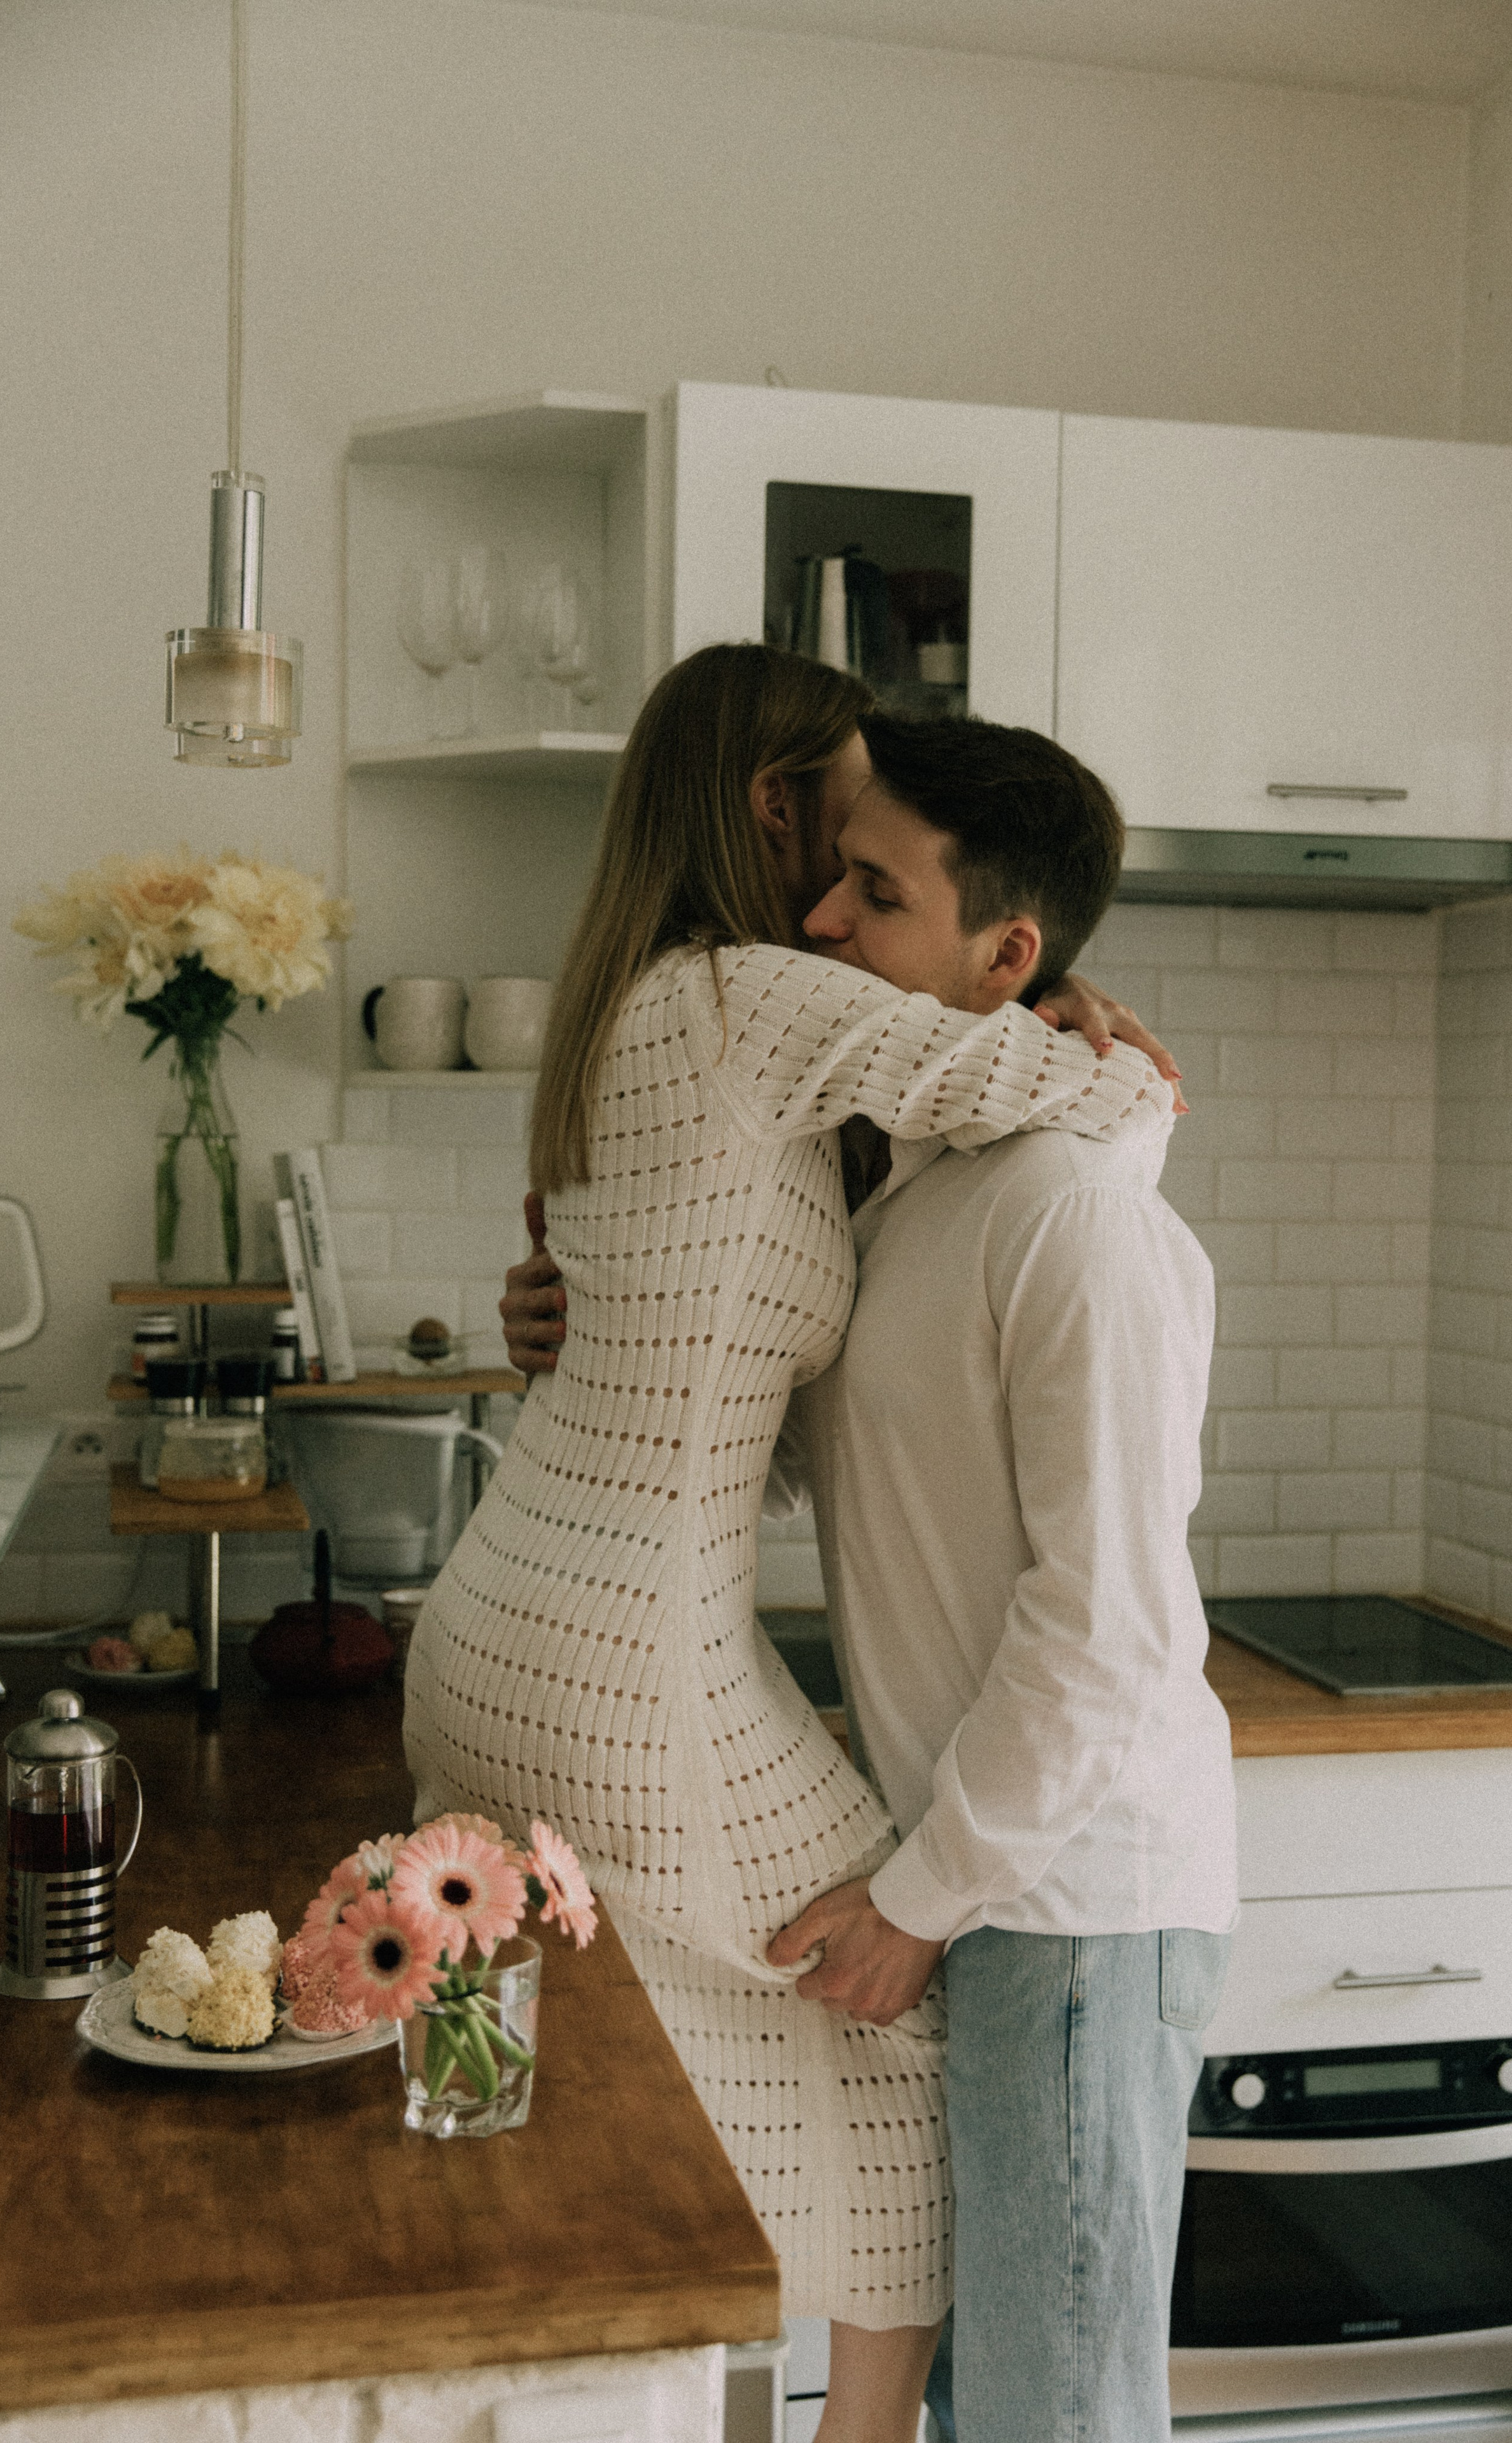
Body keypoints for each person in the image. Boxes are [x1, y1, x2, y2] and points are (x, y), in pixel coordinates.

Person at [403, 642, 1175, 2443]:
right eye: (839, 839)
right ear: (772, 814)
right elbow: (1112, 1110)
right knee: (893, 2018)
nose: (839, 898)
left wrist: (551, 1319)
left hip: (504, 1629)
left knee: (689, 2082)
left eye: (875, 878)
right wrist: (1091, 1026)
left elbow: (694, 1390)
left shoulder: (633, 1005)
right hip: (624, 1671)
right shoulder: (755, 998)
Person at [763, 711, 1237, 2443]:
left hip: (1077, 1907)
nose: (823, 923)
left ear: (1006, 951)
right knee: (995, 2407)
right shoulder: (930, 1188)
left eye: (874, 893)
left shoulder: (1073, 1214)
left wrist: (916, 1899)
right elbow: (856, 1472)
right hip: (999, 1887)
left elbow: (1104, 1631)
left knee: (1052, 2418)